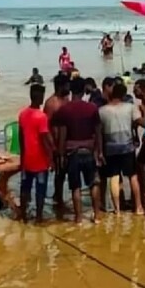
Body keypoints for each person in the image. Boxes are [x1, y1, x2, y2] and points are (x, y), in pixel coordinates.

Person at [53, 77, 102, 223]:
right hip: (89, 150)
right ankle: (97, 215)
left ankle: (79, 218)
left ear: (71, 90)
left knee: (75, 187)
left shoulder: (64, 110)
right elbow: (97, 131)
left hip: (72, 152)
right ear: (83, 91)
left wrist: (61, 154)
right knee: (94, 183)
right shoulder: (92, 108)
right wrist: (99, 151)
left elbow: (62, 134)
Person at [99, 81, 143, 215]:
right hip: (127, 146)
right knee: (132, 176)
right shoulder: (130, 107)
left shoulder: (102, 110)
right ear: (124, 95)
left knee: (113, 177)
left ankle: (117, 209)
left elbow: (99, 132)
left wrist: (100, 151)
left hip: (110, 148)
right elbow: (140, 122)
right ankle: (138, 206)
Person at [18, 84, 54, 223]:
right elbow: (44, 139)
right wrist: (50, 158)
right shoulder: (41, 117)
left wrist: (22, 158)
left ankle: (23, 215)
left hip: (27, 159)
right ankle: (39, 217)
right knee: (40, 190)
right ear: (40, 97)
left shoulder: (22, 114)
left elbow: (21, 138)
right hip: (40, 161)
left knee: (25, 188)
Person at [44, 73, 71, 205]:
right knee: (59, 172)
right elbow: (46, 126)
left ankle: (60, 196)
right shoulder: (51, 103)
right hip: (56, 142)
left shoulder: (66, 100)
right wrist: (52, 147)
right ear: (60, 86)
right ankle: (58, 196)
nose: (69, 87)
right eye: (67, 85)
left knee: (66, 171)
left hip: (67, 142)